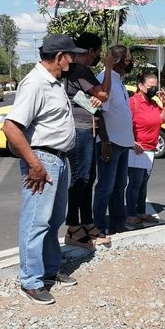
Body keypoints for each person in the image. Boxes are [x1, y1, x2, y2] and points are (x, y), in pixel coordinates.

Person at [2, 34, 82, 305]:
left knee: (54, 218)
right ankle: (31, 280)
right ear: (59, 56)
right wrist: (34, 164)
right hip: (42, 160)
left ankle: (48, 270)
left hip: (58, 159)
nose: (73, 60)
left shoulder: (54, 82)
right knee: (36, 221)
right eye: (71, 55)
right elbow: (11, 127)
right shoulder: (35, 83)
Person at [62, 32, 112, 248]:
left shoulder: (79, 71)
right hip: (80, 129)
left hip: (88, 128)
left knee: (88, 179)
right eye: (99, 52)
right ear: (91, 51)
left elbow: (99, 98)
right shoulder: (80, 70)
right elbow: (104, 95)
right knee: (80, 179)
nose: (99, 56)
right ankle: (73, 226)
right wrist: (108, 67)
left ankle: (87, 222)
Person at [126, 71, 165, 227]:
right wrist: (132, 142)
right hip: (136, 149)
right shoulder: (133, 102)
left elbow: (163, 118)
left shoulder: (153, 103)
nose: (152, 90)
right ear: (140, 85)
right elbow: (125, 123)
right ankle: (130, 214)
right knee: (135, 183)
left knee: (143, 183)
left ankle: (141, 212)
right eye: (150, 87)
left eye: (155, 87)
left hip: (150, 149)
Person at [93, 45, 135, 237]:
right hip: (111, 144)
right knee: (105, 188)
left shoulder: (119, 81)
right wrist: (105, 142)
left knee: (119, 187)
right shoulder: (104, 79)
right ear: (117, 62)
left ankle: (118, 224)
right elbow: (99, 113)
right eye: (127, 60)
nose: (130, 63)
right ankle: (99, 227)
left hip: (123, 143)